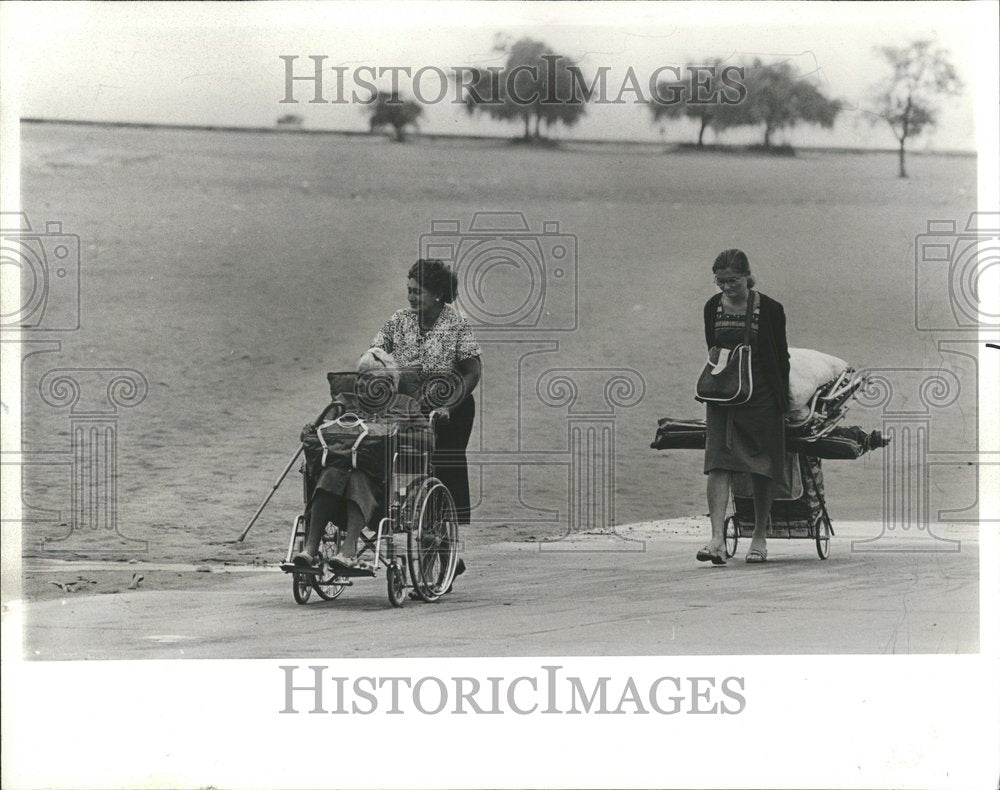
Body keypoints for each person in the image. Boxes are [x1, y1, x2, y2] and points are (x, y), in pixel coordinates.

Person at [293, 348, 428, 572]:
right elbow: (318, 435)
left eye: (371, 379)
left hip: (380, 482)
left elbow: (428, 441)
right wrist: (309, 430)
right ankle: (310, 548)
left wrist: (393, 434)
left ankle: (348, 551)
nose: (363, 384)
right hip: (335, 476)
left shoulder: (405, 406)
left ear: (390, 383)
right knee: (331, 474)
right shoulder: (344, 403)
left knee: (357, 477)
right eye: (362, 378)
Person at [371, 258, 482, 528]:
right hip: (408, 404)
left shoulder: (456, 324)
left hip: (450, 406)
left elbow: (472, 371)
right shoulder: (398, 321)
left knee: (444, 462)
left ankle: (447, 532)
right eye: (409, 290)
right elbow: (375, 354)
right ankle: (383, 516)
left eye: (417, 291)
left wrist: (449, 406)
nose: (410, 297)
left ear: (437, 294)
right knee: (387, 455)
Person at [698, 249, 790, 565]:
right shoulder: (712, 307)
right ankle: (716, 540)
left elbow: (781, 357)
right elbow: (713, 348)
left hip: (762, 395)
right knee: (718, 462)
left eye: (732, 281)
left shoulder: (771, 309)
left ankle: (759, 538)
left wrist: (783, 401)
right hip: (724, 396)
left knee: (760, 465)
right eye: (720, 282)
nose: (725, 288)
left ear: (747, 275)